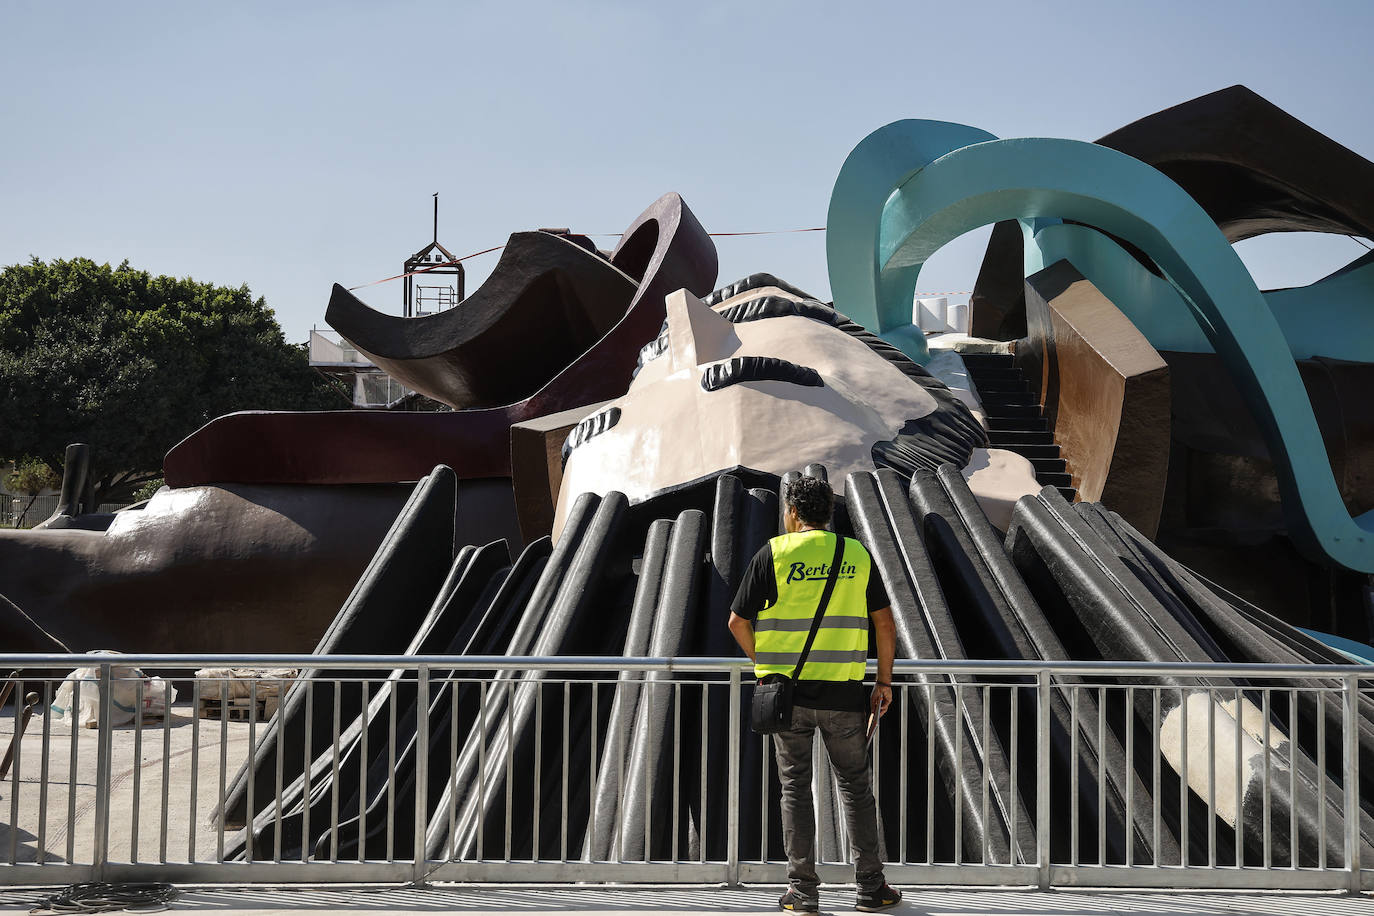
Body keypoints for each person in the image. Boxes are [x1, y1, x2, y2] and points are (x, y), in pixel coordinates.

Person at [728, 475, 902, 914]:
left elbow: (737, 621)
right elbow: (884, 624)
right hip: (845, 695)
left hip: (789, 698)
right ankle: (871, 887)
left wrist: (763, 666)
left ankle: (803, 893)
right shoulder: (856, 554)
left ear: (792, 512)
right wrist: (883, 683)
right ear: (829, 514)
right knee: (856, 789)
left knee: (795, 790)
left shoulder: (775, 552)